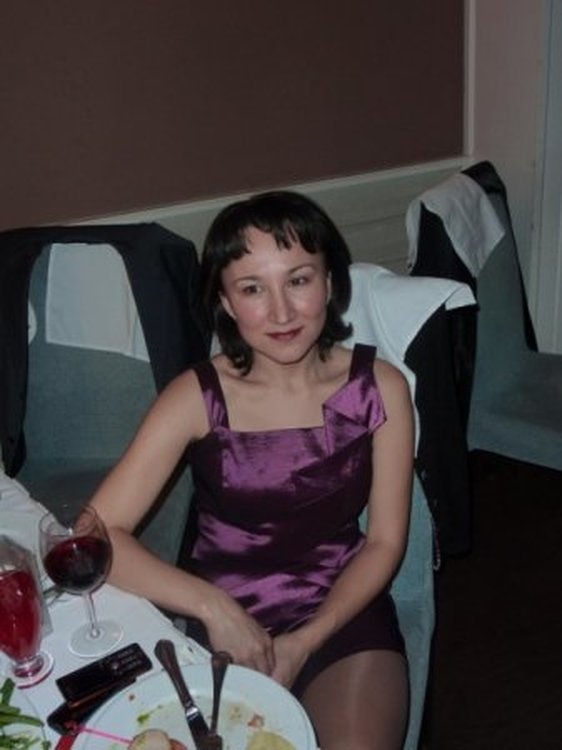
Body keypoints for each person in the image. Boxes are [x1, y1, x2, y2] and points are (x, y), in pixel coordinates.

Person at [89, 190, 414, 750]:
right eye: (252, 289)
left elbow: (384, 541)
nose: (281, 313)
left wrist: (308, 638)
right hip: (224, 621)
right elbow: (93, 535)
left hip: (341, 611)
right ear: (226, 301)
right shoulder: (195, 396)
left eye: (298, 280)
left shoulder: (380, 387)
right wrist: (213, 607)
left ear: (330, 282)